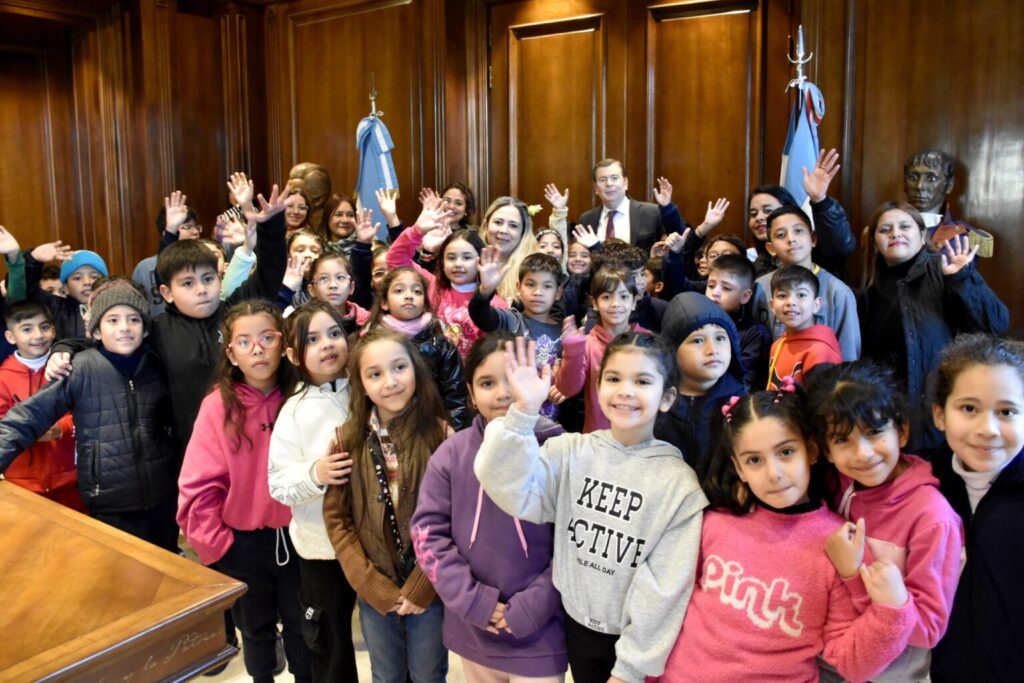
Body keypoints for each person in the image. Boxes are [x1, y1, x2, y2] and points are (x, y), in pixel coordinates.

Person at [475, 334, 705, 683]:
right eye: (614, 378)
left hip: (638, 644)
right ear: (598, 388)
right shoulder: (570, 451)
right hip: (576, 627)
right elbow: (508, 487)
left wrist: (630, 668)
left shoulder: (679, 485)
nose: (626, 390)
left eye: (642, 381)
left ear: (667, 397)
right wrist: (523, 413)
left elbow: (665, 586)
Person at [656, 388, 915, 683]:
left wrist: (891, 611)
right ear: (738, 467)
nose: (774, 473)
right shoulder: (713, 521)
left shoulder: (840, 545)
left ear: (813, 451)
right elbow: (665, 607)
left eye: (786, 452)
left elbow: (851, 664)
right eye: (754, 460)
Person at [412, 332, 568, 683]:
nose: (502, 394)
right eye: (487, 382)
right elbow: (427, 535)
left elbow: (574, 545)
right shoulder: (451, 454)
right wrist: (474, 602)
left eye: (514, 380)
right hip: (472, 626)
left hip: (540, 628)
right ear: (469, 393)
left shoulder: (560, 450)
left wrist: (535, 604)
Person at [177, 300, 311, 683]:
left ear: (283, 345)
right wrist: (220, 545)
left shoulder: (302, 395)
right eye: (245, 341)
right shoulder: (217, 406)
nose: (257, 348)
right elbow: (197, 484)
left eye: (267, 338)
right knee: (255, 632)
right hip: (243, 545)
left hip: (300, 538)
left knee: (304, 631)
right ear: (231, 352)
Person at [805, 361, 963, 682]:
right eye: (842, 440)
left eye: (875, 432)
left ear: (901, 431)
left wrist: (857, 578)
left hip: (891, 674)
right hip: (831, 657)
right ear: (826, 451)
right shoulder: (839, 483)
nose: (862, 454)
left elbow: (929, 629)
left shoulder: (933, 518)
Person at [0, 279, 178, 550]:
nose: (124, 328)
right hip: (110, 500)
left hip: (163, 496)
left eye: (133, 319)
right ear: (96, 331)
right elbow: (29, 417)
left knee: (170, 572)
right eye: (113, 320)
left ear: (144, 330)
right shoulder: (80, 368)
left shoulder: (157, 364)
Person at [323, 329, 451, 683]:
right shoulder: (345, 439)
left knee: (428, 674)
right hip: (374, 588)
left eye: (399, 368)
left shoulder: (442, 436)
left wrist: (424, 585)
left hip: (429, 586)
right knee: (386, 675)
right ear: (360, 384)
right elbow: (338, 520)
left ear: (416, 371)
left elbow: (454, 519)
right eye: (375, 374)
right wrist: (368, 583)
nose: (390, 382)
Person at [858, 201, 1007, 454]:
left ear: (922, 235)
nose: (895, 233)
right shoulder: (867, 293)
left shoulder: (946, 269)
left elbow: (995, 325)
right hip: (890, 419)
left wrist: (962, 279)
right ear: (874, 243)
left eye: (905, 226)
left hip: (940, 417)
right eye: (885, 230)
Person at [268, 300, 358, 682]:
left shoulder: (364, 389)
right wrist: (316, 472)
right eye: (313, 339)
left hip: (373, 540)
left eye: (335, 333)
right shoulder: (294, 411)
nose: (328, 345)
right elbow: (278, 484)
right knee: (331, 641)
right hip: (322, 548)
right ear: (292, 354)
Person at [928, 334, 1024, 682]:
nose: (988, 429)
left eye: (1006, 411)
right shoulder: (923, 487)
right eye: (969, 408)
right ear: (939, 414)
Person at [387, 202, 507, 357]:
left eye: (467, 257)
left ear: (480, 261)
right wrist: (417, 231)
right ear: (442, 262)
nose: (458, 264)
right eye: (451, 257)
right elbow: (395, 261)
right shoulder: (431, 286)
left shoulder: (496, 304)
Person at [750, 204, 860, 361]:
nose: (791, 239)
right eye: (781, 235)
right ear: (771, 248)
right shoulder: (759, 287)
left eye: (798, 231)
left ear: (813, 239)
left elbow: (848, 356)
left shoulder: (838, 292)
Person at [365, 266, 469, 430]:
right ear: (384, 302)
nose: (409, 296)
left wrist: (456, 439)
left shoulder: (441, 345)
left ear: (425, 302)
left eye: (417, 292)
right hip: (385, 429)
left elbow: (456, 398)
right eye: (399, 291)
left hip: (433, 429)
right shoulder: (371, 345)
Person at [654, 292, 747, 474]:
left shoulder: (742, 405)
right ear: (672, 350)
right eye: (697, 340)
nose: (712, 350)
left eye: (720, 338)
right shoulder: (655, 404)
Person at [0, 301, 81, 510]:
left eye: (44, 327)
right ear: (10, 336)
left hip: (70, 479)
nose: (38, 335)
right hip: (21, 483)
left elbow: (84, 412)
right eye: (27, 329)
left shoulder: (67, 367)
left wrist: (59, 429)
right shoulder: (3, 377)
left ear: (54, 330)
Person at [470, 251, 565, 421]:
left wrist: (566, 385)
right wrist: (485, 290)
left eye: (547, 286)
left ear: (558, 292)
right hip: (511, 415)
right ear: (518, 287)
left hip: (550, 419)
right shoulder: (511, 320)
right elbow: (481, 315)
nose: (538, 292)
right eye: (530, 284)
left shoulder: (564, 332)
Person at [554, 266, 647, 432]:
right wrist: (572, 351)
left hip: (640, 436)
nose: (615, 303)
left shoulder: (647, 340)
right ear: (595, 303)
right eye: (606, 297)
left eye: (624, 296)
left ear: (634, 302)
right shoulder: (588, 344)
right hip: (599, 438)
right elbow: (567, 388)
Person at [745, 149, 856, 279]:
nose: (759, 218)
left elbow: (841, 247)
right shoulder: (759, 266)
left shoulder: (809, 251)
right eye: (753, 213)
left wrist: (820, 201)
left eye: (768, 210)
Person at [902, 147, 993, 256]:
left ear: (949, 185)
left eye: (931, 178)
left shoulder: (963, 237)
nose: (920, 186)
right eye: (913, 177)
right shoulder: (887, 229)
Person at [577, 160, 680, 254]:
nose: (609, 184)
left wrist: (667, 207)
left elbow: (679, 239)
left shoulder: (651, 212)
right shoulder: (587, 219)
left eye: (614, 178)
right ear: (595, 188)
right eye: (603, 179)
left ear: (625, 183)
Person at [766, 265, 842, 388]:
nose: (790, 302)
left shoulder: (820, 352)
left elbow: (821, 404)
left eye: (801, 295)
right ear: (772, 305)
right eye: (782, 295)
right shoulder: (777, 345)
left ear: (816, 304)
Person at [705, 254, 771, 389]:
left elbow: (746, 381)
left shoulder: (755, 333)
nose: (715, 292)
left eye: (726, 288)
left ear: (745, 296)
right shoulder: (700, 322)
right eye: (711, 285)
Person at [133, 195, 203, 318]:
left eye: (196, 227)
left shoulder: (204, 262)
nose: (195, 231)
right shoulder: (144, 267)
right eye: (187, 227)